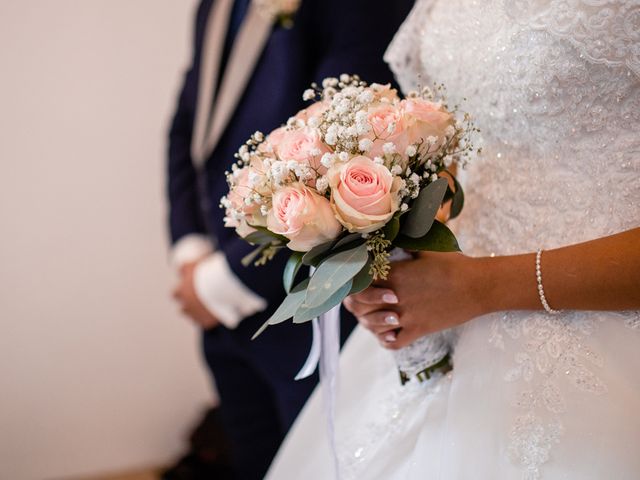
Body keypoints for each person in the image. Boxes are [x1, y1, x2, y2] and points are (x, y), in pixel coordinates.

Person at [266, 0, 640, 478]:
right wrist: (383, 258)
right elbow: (458, 144)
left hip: (591, 325)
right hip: (441, 312)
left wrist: (482, 286)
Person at [166, 1, 414, 478]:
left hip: (307, 302)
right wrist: (190, 248)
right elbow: (188, 126)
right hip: (218, 302)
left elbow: (345, 140)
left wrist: (222, 282)